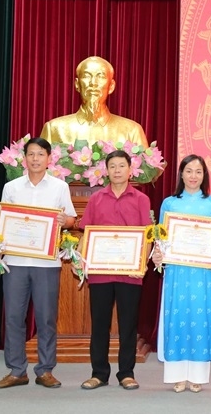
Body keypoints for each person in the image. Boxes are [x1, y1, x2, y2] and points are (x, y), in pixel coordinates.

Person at [0, 137, 77, 389]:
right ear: (24, 158)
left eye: (41, 154)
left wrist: (65, 221)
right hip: (15, 262)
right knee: (15, 317)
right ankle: (17, 370)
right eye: (31, 154)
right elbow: (2, 221)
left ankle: (45, 370)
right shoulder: (12, 187)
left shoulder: (59, 187)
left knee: (46, 318)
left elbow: (72, 219)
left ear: (49, 158)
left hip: (47, 263)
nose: (36, 159)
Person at [76, 150, 152, 391]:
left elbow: (147, 235)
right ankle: (99, 373)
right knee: (99, 324)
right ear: (106, 171)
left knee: (128, 325)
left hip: (130, 273)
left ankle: (126, 373)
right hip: (100, 272)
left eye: (122, 166)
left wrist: (142, 264)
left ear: (130, 170)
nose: (117, 170)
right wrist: (81, 259)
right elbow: (86, 233)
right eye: (113, 166)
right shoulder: (96, 199)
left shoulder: (141, 199)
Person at [151, 155, 211, 393]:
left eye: (198, 172)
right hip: (177, 271)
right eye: (189, 171)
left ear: (204, 176)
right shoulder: (170, 203)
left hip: (202, 272)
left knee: (199, 319)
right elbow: (161, 236)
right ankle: (177, 375)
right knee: (178, 317)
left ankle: (197, 377)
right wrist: (158, 254)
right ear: (181, 174)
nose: (193, 176)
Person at [40, 56, 148, 146]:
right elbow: (40, 169)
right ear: (77, 84)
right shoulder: (54, 129)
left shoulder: (132, 130)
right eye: (86, 76)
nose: (93, 83)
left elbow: (144, 170)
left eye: (100, 76)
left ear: (111, 86)